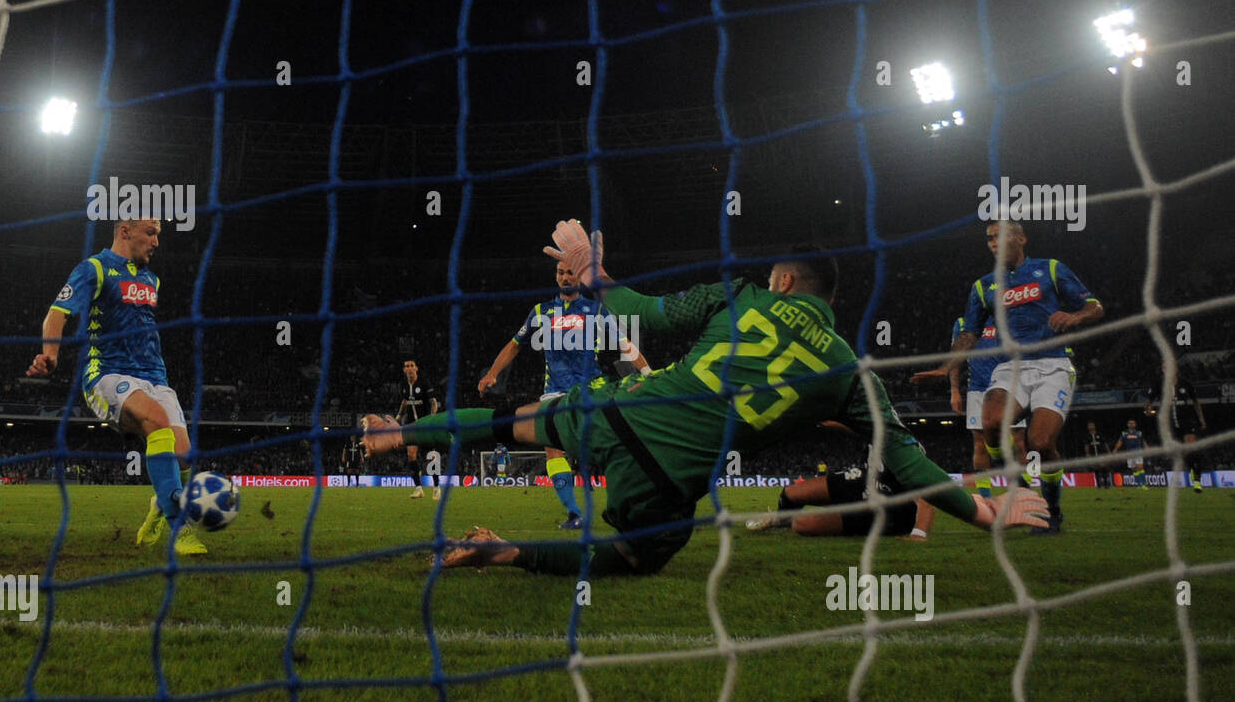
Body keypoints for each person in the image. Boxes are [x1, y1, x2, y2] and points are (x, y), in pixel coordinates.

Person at [361, 221, 1047, 576]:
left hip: (620, 412)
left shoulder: (740, 294)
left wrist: (596, 273)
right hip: (667, 480)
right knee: (634, 558)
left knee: (507, 424)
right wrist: (985, 509)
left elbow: (647, 315)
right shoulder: (849, 371)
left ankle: (403, 435)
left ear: (780, 280)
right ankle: (513, 552)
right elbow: (909, 461)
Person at [27, 218, 205, 555]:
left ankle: (160, 501)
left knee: (184, 457)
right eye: (150, 233)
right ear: (125, 231)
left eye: (158, 235)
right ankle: (179, 529)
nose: (156, 242)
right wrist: (50, 354)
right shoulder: (94, 268)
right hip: (108, 375)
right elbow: (57, 313)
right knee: (156, 421)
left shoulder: (151, 278)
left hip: (156, 377)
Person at [912, 221, 1104, 534]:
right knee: (989, 424)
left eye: (1000, 236)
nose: (993, 243)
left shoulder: (1051, 269)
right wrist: (946, 368)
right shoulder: (983, 286)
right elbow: (969, 334)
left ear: (1021, 239)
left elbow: (1094, 307)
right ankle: (1020, 485)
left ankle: (1052, 511)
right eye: (989, 238)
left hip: (1053, 365)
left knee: (1040, 444)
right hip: (1010, 367)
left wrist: (1075, 316)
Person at [477, 260, 651, 529]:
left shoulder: (596, 310)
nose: (565, 277)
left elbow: (624, 344)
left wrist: (649, 373)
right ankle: (574, 513)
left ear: (580, 278)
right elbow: (514, 345)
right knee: (553, 451)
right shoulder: (541, 311)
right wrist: (493, 373)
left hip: (589, 390)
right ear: (555, 277)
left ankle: (630, 504)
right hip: (554, 392)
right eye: (560, 272)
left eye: (570, 272)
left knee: (608, 445)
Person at [746, 461, 936, 542]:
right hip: (865, 479)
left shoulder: (901, 446)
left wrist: (918, 533)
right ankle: (782, 520)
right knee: (789, 493)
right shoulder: (870, 423)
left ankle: (837, 514)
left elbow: (925, 496)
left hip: (889, 510)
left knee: (802, 524)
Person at [949, 315, 1028, 498]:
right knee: (980, 445)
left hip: (1010, 388)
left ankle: (1023, 494)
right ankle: (986, 498)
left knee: (1019, 444)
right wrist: (954, 390)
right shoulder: (963, 324)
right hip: (978, 390)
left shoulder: (1009, 318)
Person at [1146, 371, 1208, 492]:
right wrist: (1149, 409)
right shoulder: (1158, 384)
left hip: (1188, 421)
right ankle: (1191, 468)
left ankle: (1197, 481)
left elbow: (1196, 402)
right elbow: (1148, 403)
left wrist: (1201, 418)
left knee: (1192, 448)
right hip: (1170, 424)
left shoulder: (1185, 383)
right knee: (1182, 453)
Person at [396, 359, 439, 499]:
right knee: (411, 455)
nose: (409, 368)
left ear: (416, 368)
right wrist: (399, 416)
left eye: (411, 366)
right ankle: (419, 489)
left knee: (431, 456)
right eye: (406, 366)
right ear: (404, 370)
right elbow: (404, 401)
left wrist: (432, 418)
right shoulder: (403, 384)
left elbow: (433, 402)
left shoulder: (424, 383)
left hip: (425, 423)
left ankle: (436, 487)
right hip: (411, 424)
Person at [1113, 418, 1149, 488]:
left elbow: (1143, 442)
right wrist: (1115, 449)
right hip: (1129, 453)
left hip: (1138, 452)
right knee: (1134, 469)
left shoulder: (1139, 433)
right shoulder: (1124, 433)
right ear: (1127, 425)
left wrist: (1147, 448)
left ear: (1135, 424)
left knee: (1140, 467)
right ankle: (1139, 484)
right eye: (1130, 423)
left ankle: (1143, 484)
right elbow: (1120, 442)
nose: (1131, 424)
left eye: (1133, 423)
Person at [1083, 420, 1111, 488]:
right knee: (1096, 470)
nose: (1091, 426)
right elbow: (1086, 445)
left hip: (1101, 454)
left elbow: (1105, 444)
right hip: (1093, 455)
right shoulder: (1087, 436)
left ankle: (1106, 484)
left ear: (1094, 426)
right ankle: (1099, 485)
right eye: (1089, 425)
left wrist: (1109, 452)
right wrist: (1087, 454)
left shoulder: (1099, 434)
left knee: (1104, 468)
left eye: (1092, 425)